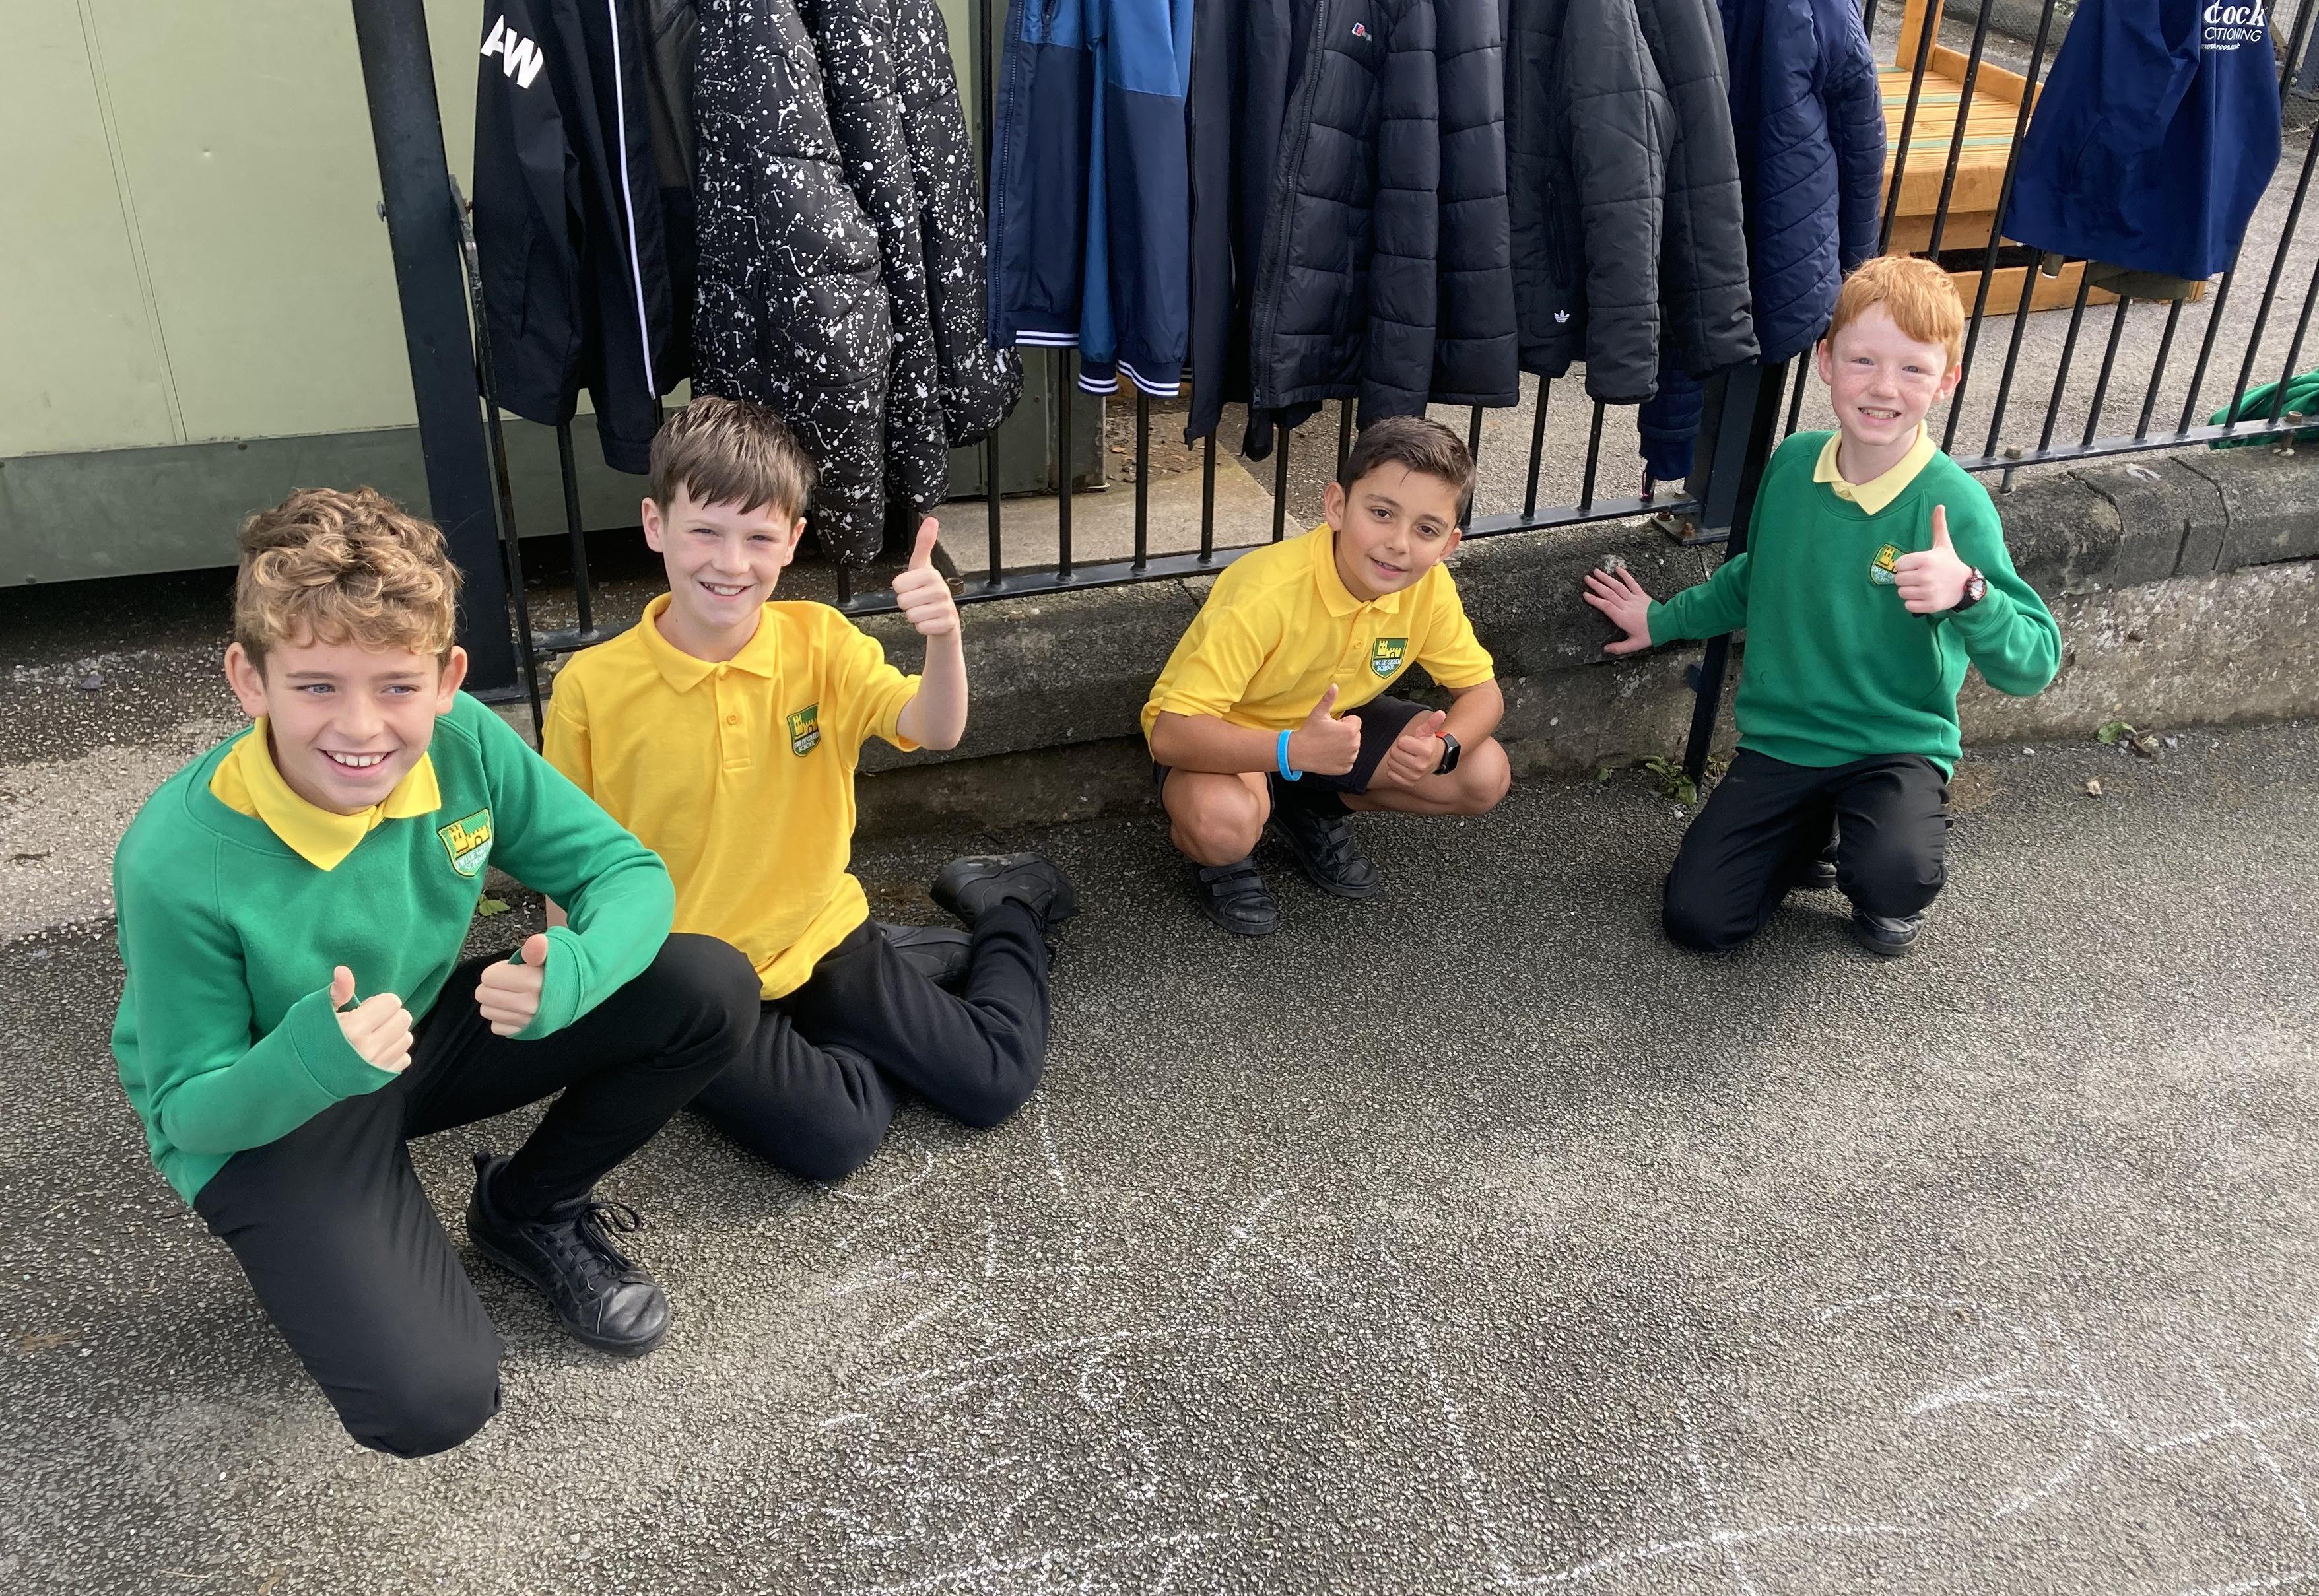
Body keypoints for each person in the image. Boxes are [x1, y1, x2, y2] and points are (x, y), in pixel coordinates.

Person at [109, 489, 760, 1457]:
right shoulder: (175, 857)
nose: (361, 727)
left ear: (449, 678)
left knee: (706, 988)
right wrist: (309, 1060)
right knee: (433, 1403)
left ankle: (527, 1208)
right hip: (264, 1106)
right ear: (250, 680)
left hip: (402, 1040)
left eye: (396, 686)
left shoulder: (465, 745)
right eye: (316, 686)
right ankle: (336, 1232)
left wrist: (575, 973)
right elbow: (185, 1113)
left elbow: (626, 875)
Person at [543, 397, 1075, 1185]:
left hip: (820, 932)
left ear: (793, 541)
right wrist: (580, 987)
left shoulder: (820, 641)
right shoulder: (592, 688)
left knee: (993, 1082)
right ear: (656, 526)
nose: (731, 563)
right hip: (692, 978)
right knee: (833, 1142)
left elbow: (935, 729)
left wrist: (944, 639)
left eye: (759, 537)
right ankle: (884, 1012)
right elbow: (564, 859)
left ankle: (1008, 908)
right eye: (705, 532)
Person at [1583, 255, 2061, 958]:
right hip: (1786, 743)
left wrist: (1970, 594)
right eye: (1864, 360)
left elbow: (2034, 663)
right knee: (1698, 921)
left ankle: (1882, 863)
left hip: (1895, 745)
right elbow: (1759, 577)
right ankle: (1813, 830)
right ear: (1828, 362)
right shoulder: (1793, 463)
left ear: (1946, 381)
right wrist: (1661, 620)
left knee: (1893, 875)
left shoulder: (1953, 503)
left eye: (1913, 369)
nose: (1884, 387)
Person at [1143, 415, 1513, 935]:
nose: (1399, 543)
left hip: (1330, 730)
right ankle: (1224, 858)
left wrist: (1443, 747)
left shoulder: (1428, 588)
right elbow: (1171, 735)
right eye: (1381, 513)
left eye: (1426, 530)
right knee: (1222, 824)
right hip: (1229, 735)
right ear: (1337, 505)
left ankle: (1306, 806)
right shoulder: (1266, 592)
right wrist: (1292, 750)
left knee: (1483, 774)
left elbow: (1483, 693)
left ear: (1448, 546)